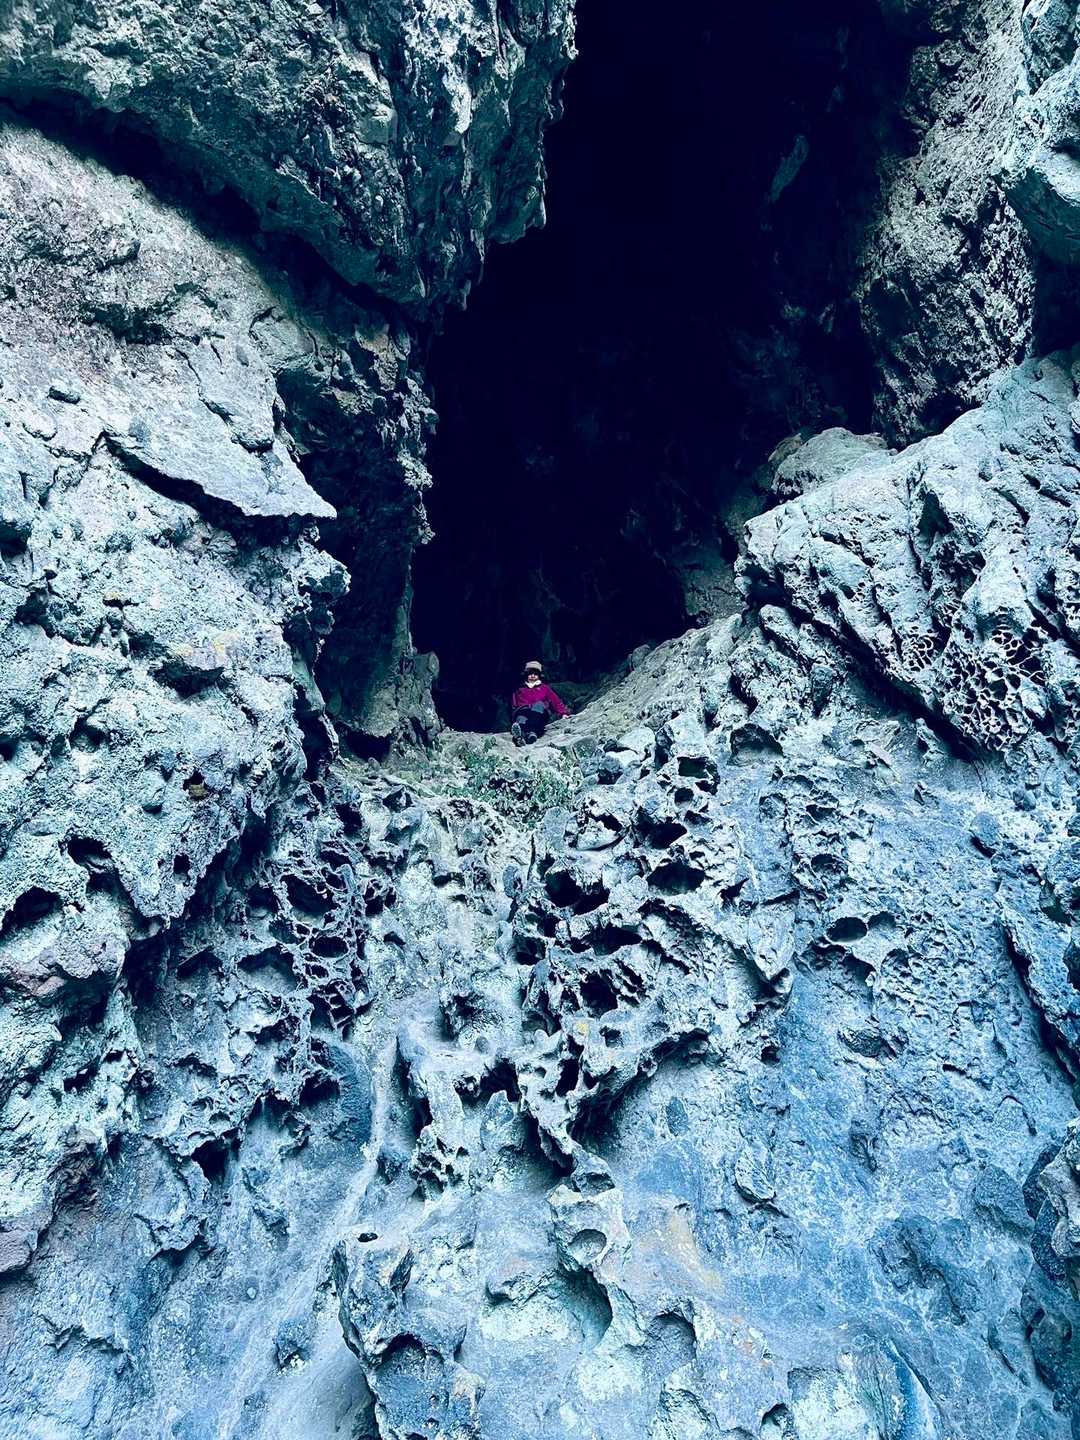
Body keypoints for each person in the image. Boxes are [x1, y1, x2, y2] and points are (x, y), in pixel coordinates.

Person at [510, 660, 568, 745]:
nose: (533, 676)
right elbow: (514, 704)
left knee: (539, 705)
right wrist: (514, 715)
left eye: (535, 674)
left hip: (539, 713)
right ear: (526, 675)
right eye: (530, 673)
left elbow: (555, 701)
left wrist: (563, 713)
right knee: (521, 718)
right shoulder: (520, 689)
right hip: (523, 711)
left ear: (539, 675)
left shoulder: (544, 688)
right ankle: (521, 736)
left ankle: (531, 733)